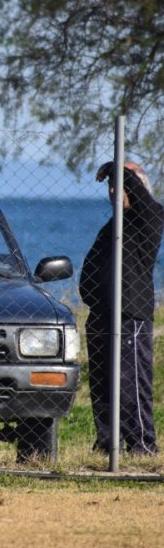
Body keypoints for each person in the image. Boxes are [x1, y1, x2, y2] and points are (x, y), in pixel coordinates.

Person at [79, 161, 163, 456]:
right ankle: (107, 443)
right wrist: (90, 295)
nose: (114, 190)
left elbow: (139, 195)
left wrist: (116, 167)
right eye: (110, 186)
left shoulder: (149, 216)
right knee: (102, 386)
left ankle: (142, 445)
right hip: (101, 314)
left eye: (122, 185)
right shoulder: (112, 227)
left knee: (131, 385)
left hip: (129, 315)